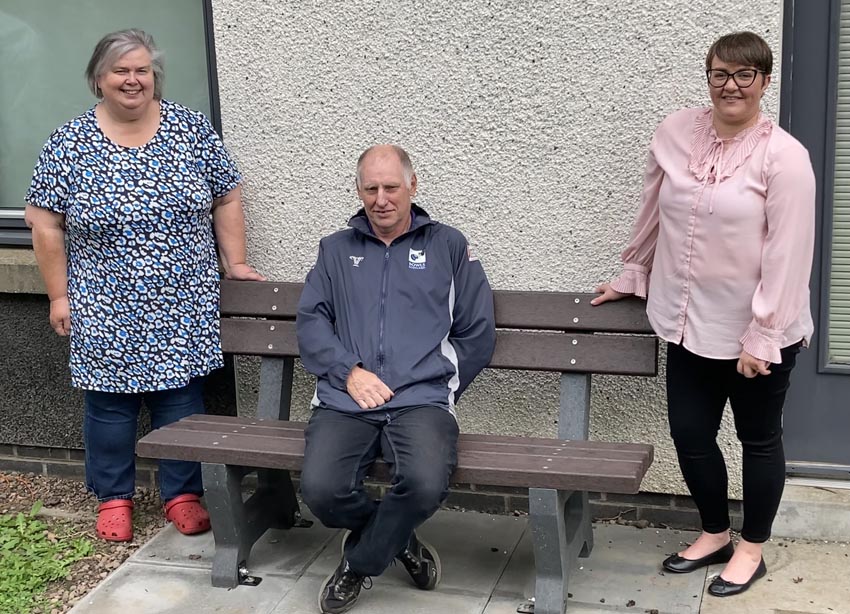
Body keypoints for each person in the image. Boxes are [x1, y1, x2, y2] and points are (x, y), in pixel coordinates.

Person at [592, 31, 815, 597]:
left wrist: (763, 334)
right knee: (691, 435)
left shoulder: (785, 157)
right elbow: (652, 211)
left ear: (765, 82)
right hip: (687, 321)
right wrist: (633, 273)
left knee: (758, 438)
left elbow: (789, 253)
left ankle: (752, 548)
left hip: (752, 333)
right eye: (720, 73)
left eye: (745, 75)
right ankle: (714, 531)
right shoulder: (674, 133)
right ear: (708, 76)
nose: (731, 85)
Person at [25, 29, 264, 543]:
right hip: (102, 299)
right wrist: (59, 294)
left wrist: (236, 261)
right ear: (99, 79)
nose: (133, 80)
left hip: (183, 297)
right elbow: (44, 223)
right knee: (109, 406)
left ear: (154, 76)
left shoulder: (190, 130)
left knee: (181, 399)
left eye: (142, 70)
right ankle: (114, 497)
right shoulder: (69, 143)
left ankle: (183, 493)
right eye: (121, 71)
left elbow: (227, 196)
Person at [296, 144, 496, 613]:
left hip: (421, 399)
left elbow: (477, 331)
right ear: (359, 190)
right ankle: (400, 541)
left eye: (391, 187)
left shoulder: (448, 245)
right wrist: (349, 373)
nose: (381, 198)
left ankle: (358, 562)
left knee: (425, 482)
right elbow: (311, 323)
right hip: (348, 398)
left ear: (412, 186)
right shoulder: (335, 250)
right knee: (322, 492)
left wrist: (438, 385)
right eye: (371, 188)